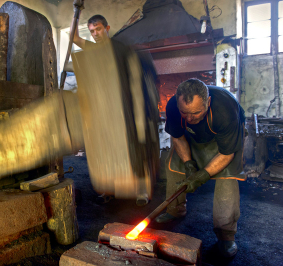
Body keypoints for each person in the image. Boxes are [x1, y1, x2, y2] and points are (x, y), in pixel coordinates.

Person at [70, 0, 158, 206]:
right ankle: (109, 188)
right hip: (105, 108)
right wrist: (76, 13)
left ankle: (141, 190)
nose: (95, 34)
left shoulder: (121, 49)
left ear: (107, 28)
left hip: (127, 106)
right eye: (92, 31)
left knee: (134, 146)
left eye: (98, 29)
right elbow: (74, 38)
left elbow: (135, 77)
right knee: (106, 147)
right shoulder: (93, 49)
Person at [155, 78, 246, 258]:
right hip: (193, 138)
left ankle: (226, 235)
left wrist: (202, 175)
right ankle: (175, 210)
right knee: (174, 167)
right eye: (184, 113)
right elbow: (178, 137)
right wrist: (189, 165)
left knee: (226, 180)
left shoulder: (225, 110)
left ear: (208, 102)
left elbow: (227, 154)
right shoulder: (173, 106)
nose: (190, 118)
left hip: (224, 143)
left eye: (196, 112)